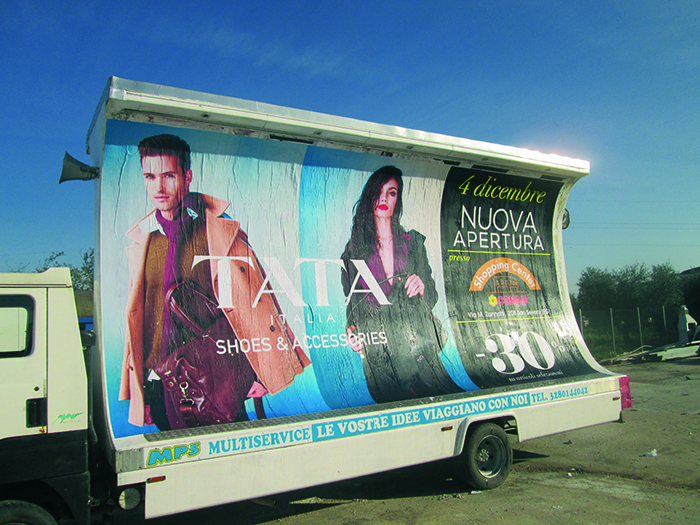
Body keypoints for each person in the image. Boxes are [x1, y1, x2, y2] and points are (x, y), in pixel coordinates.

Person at [119, 134, 309, 430]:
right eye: (150, 176)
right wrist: (139, 390)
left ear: (187, 177)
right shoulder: (144, 239)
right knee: (177, 458)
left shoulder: (217, 229)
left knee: (230, 453)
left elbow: (255, 300)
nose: (158, 187)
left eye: (168, 175)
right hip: (162, 382)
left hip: (218, 379)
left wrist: (258, 372)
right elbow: (139, 318)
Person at [341, 166, 461, 403]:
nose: (384, 198)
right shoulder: (353, 252)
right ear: (370, 196)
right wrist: (351, 332)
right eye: (379, 191)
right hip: (381, 360)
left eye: (392, 192)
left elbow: (432, 294)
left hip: (418, 353)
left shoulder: (412, 242)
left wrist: (421, 286)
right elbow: (352, 306)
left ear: (398, 199)